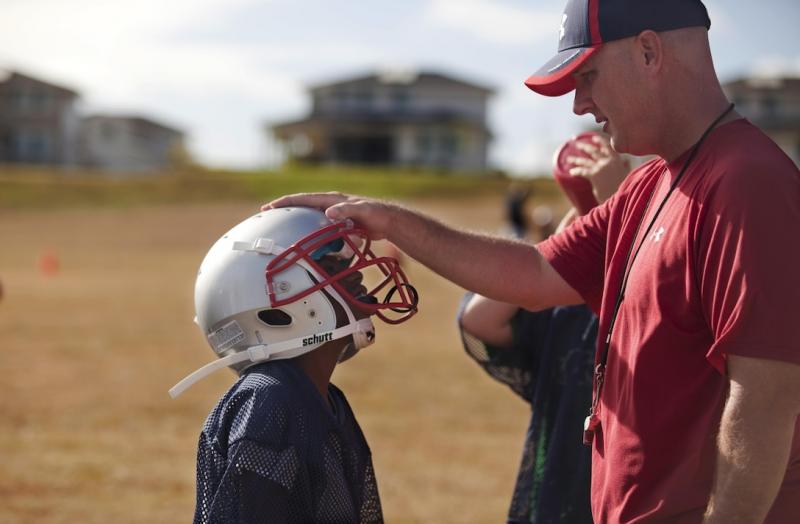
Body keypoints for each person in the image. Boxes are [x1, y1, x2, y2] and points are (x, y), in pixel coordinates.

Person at [264, 1, 800, 521]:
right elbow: (535, 274)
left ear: (648, 52)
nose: (578, 104)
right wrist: (389, 220)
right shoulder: (650, 182)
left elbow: (766, 401)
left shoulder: (747, 182)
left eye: (587, 75)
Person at [169, 207, 418, 524]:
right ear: (274, 306)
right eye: (331, 265)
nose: (356, 273)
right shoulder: (270, 404)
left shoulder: (320, 398)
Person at [458, 133, 628, 524]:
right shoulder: (563, 305)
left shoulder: (657, 292)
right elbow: (479, 320)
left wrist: (624, 207)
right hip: (557, 496)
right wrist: (575, 228)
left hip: (631, 496)